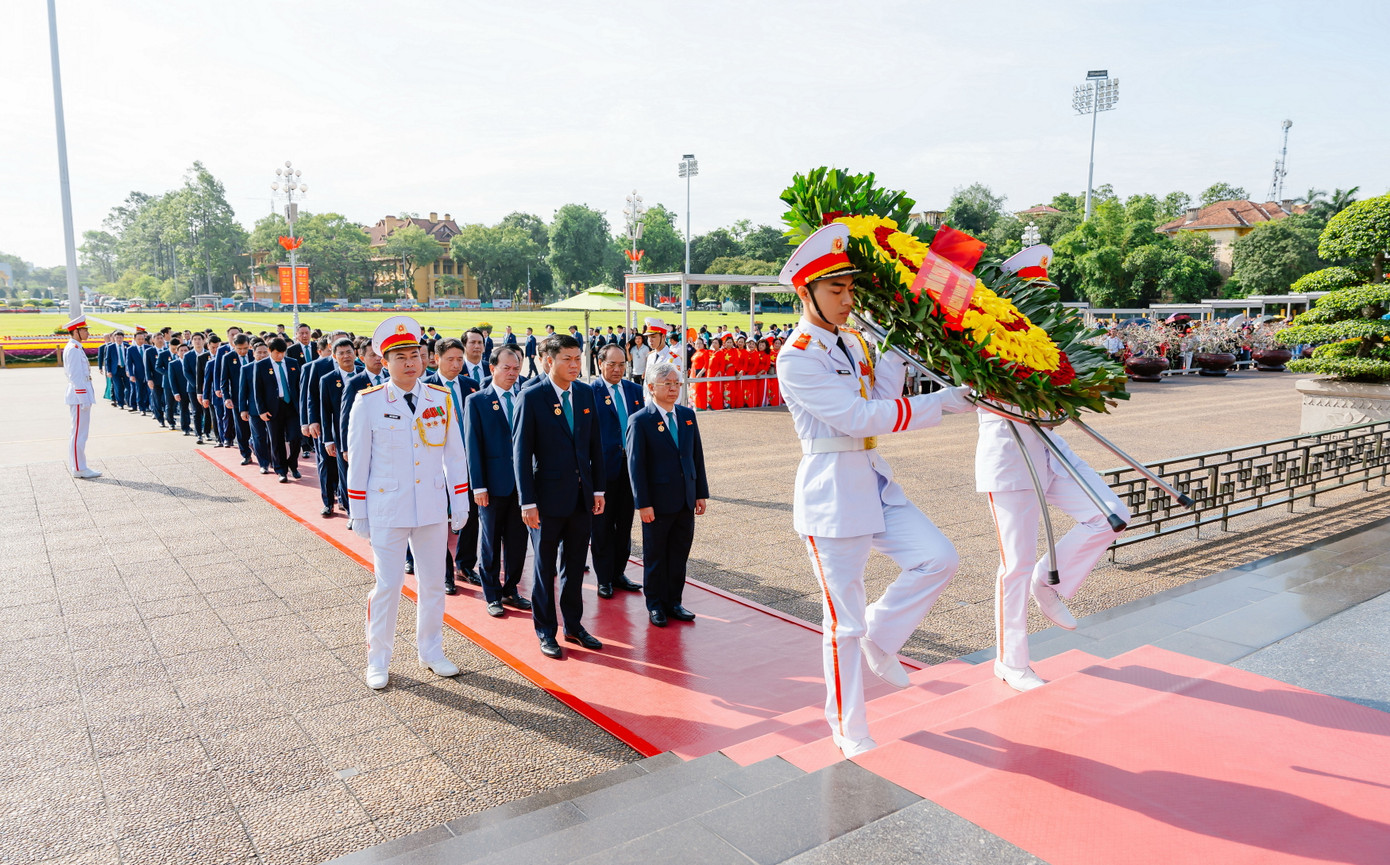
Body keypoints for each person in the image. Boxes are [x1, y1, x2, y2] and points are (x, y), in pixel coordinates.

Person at [776, 222, 975, 758]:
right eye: (835, 289)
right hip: (833, 494)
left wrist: (898, 338)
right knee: (842, 623)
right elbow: (856, 415)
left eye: (850, 288)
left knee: (938, 558)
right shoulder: (797, 355)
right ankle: (848, 728)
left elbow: (884, 397)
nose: (847, 299)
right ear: (806, 292)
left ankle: (882, 639)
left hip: (873, 478)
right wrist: (942, 403)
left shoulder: (855, 341)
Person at [346, 316, 469, 691]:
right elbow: (359, 460)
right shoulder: (367, 403)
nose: (409, 363)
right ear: (385, 362)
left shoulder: (440, 399)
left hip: (431, 506)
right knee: (388, 585)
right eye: (399, 357)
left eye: (414, 355)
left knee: (433, 584)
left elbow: (454, 454)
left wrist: (459, 502)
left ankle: (431, 651)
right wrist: (359, 512)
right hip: (388, 508)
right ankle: (378, 660)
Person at [514, 333, 606, 660]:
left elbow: (594, 445)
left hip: (581, 498)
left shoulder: (584, 392)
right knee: (544, 569)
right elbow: (521, 454)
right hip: (545, 502)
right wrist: (527, 501)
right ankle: (545, 631)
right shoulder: (531, 397)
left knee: (575, 565)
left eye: (578, 358)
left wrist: (598, 489)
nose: (574, 365)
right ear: (548, 361)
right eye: (567, 359)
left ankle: (574, 626)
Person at [627, 362, 709, 626]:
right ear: (651, 388)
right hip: (657, 503)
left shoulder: (686, 415)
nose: (674, 388)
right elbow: (636, 466)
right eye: (667, 384)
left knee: (678, 554)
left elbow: (696, 456)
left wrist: (699, 493)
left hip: (684, 499)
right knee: (655, 556)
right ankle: (655, 605)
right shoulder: (640, 421)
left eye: (677, 383)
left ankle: (674, 601)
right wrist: (643, 504)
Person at [464, 345, 533, 617]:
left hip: (523, 486)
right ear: (492, 368)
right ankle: (492, 593)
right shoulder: (478, 401)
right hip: (492, 486)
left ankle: (511, 588)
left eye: (516, 368)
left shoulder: (526, 397)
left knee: (518, 541)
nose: (512, 373)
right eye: (506, 368)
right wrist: (478, 485)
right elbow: (473, 446)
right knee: (490, 541)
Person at [424, 338, 481, 592]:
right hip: (436, 463)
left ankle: (466, 564)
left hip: (468, 461)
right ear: (437, 359)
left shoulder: (471, 386)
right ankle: (445, 572)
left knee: (469, 514)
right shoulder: (425, 388)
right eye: (450, 359)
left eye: (460, 359)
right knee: (439, 518)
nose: (456, 364)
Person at [589, 344, 645, 598]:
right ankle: (604, 578)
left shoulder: (634, 390)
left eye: (622, 364)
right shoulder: (590, 392)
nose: (617, 369)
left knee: (624, 525)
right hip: (602, 470)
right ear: (600, 363)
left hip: (629, 469)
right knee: (601, 527)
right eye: (612, 364)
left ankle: (618, 573)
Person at [315, 338, 361, 516]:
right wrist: (327, 439)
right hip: (340, 435)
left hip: (362, 432)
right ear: (334, 356)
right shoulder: (328, 380)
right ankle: (347, 510)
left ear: (355, 353)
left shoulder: (364, 375)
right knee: (343, 473)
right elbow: (325, 411)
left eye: (349, 352)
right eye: (341, 353)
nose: (346, 356)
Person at [252, 337, 303, 483]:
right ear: (269, 351)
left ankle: (292, 464)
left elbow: (298, 386)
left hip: (291, 406)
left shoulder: (292, 363)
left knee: (295, 438)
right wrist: (261, 410)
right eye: (276, 353)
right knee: (276, 440)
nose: (280, 356)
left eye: (282, 353)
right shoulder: (261, 366)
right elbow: (258, 390)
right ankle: (281, 470)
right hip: (273, 408)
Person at [62, 316, 101, 479]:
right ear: (76, 332)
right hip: (79, 396)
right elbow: (75, 376)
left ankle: (79, 465)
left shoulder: (76, 347)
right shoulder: (73, 349)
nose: (87, 332)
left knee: (79, 432)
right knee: (79, 433)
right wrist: (83, 398)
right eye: (84, 330)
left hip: (82, 394)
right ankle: (79, 468)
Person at [219, 335, 255, 464]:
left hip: (255, 397)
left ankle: (260, 451)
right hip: (237, 398)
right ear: (234, 346)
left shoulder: (253, 354)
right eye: (239, 349)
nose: (243, 351)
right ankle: (245, 454)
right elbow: (223, 381)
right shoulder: (228, 358)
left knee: (257, 427)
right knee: (241, 428)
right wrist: (226, 397)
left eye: (245, 348)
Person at [239, 341, 273, 473]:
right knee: (258, 436)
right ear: (253, 353)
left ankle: (273, 459)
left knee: (272, 437)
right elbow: (243, 391)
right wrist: (243, 409)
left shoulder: (273, 367)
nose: (262, 355)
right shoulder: (247, 369)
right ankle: (263, 463)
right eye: (259, 352)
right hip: (254, 410)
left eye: (265, 352)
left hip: (272, 408)